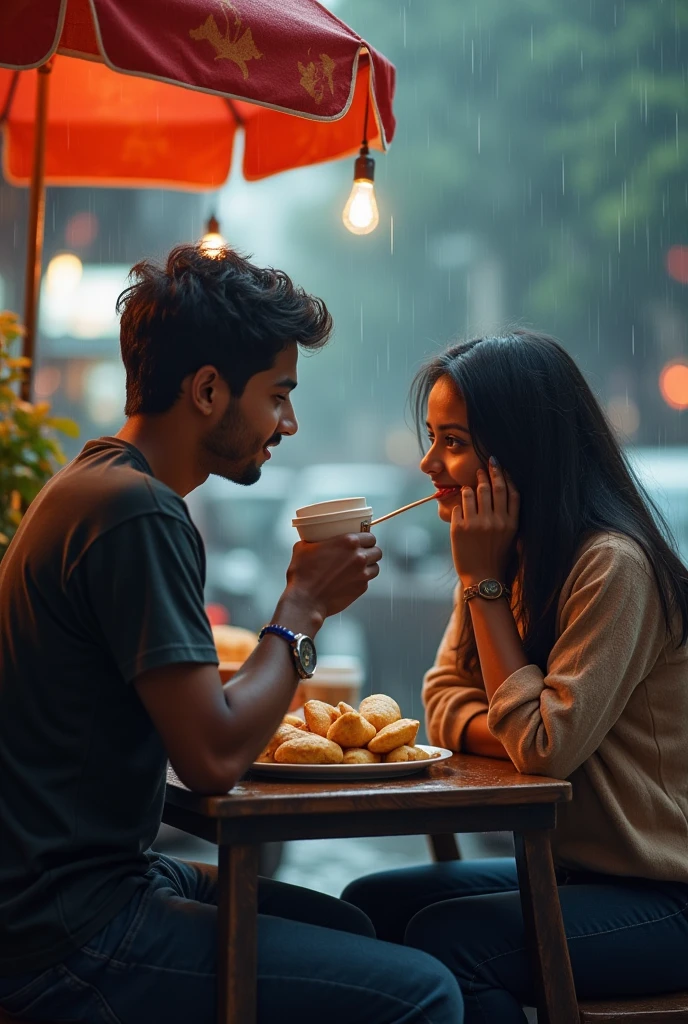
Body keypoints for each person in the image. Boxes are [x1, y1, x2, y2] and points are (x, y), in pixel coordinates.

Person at [0, 245, 463, 1024]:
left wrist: (296, 620)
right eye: (278, 394)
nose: (288, 422)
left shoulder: (92, 485)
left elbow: (187, 718)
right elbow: (212, 758)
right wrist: (302, 608)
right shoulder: (135, 512)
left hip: (82, 888)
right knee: (424, 993)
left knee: (348, 924)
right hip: (68, 930)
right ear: (209, 391)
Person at [343, 330, 688, 1022]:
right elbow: (439, 702)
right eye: (433, 437)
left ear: (519, 453)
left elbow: (543, 747)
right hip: (572, 873)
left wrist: (481, 586)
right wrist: (522, 722)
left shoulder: (610, 565)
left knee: (455, 942)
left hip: (663, 895)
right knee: (368, 908)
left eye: (454, 442)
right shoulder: (511, 555)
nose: (427, 462)